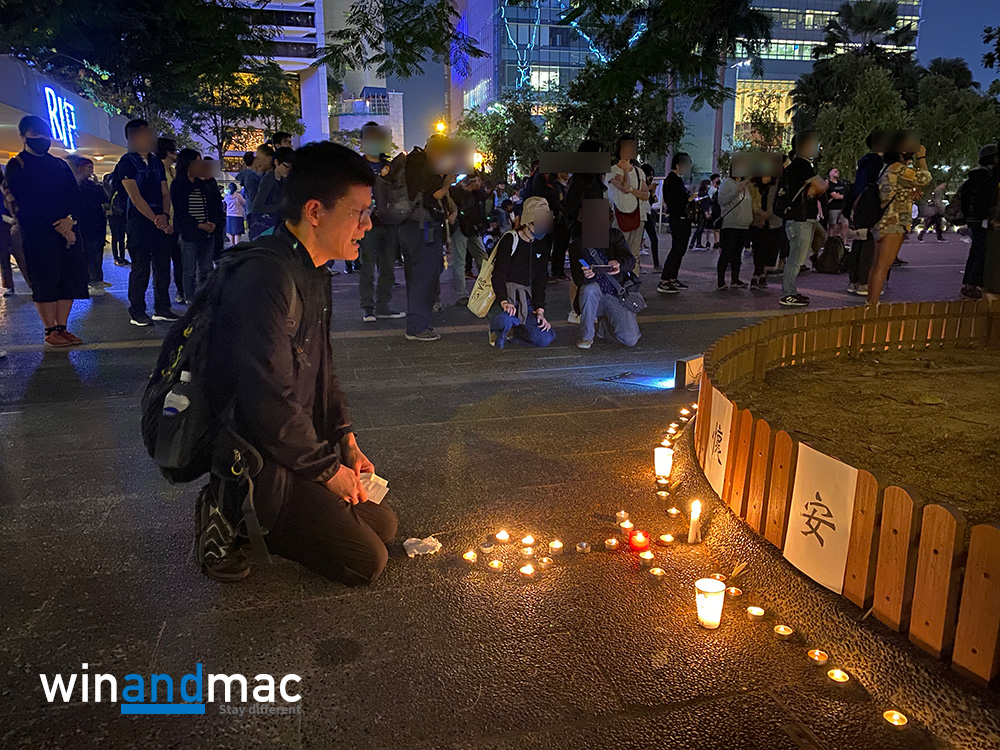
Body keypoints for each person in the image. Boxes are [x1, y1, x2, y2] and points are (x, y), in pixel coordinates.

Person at [202, 140, 396, 584]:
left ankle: (284, 509)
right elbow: (265, 398)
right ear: (314, 211)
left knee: (384, 526)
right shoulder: (264, 276)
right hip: (258, 453)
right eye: (358, 212)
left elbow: (322, 367)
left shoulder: (312, 269)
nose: (367, 224)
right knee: (365, 562)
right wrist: (326, 471)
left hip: (297, 441)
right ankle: (228, 510)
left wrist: (345, 437)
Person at [2, 115, 88, 347]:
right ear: (23, 136)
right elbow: (25, 202)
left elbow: (76, 197)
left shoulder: (60, 165)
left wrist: (70, 221)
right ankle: (50, 330)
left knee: (69, 280)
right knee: (45, 280)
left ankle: (62, 327)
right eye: (34, 134)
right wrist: (58, 226)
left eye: (44, 134)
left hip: (68, 231)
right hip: (37, 233)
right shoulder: (17, 165)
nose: (40, 138)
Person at [114, 118, 178, 326]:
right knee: (141, 267)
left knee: (162, 266)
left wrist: (164, 216)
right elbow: (135, 197)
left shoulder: (156, 161)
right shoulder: (126, 162)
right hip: (139, 220)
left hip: (160, 218)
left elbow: (165, 191)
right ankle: (137, 311)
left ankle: (162, 308)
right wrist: (156, 219)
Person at [398, 134, 453, 342]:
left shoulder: (414, 160)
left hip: (410, 226)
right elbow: (436, 194)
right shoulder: (423, 163)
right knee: (424, 276)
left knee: (416, 276)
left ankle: (418, 324)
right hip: (422, 227)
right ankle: (417, 327)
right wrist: (448, 180)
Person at [867, 130, 932, 306]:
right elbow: (924, 178)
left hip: (882, 221)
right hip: (893, 223)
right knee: (882, 266)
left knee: (876, 265)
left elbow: (889, 194)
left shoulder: (888, 167)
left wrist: (908, 196)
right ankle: (872, 306)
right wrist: (922, 157)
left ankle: (870, 303)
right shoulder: (899, 168)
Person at [488, 196, 555, 349]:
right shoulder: (510, 239)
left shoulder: (542, 244)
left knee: (544, 339)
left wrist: (540, 310)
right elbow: (498, 275)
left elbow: (540, 281)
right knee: (504, 319)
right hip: (507, 295)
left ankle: (517, 329)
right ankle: (501, 327)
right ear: (528, 222)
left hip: (526, 300)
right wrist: (504, 301)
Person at [357, 121, 404, 321]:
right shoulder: (358, 166)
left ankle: (383, 306)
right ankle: (368, 307)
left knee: (388, 267)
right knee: (367, 266)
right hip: (367, 222)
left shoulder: (389, 166)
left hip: (389, 221)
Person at [569, 219, 640, 349]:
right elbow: (577, 279)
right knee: (590, 289)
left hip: (615, 293)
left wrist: (619, 264)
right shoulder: (577, 245)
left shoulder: (615, 236)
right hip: (593, 295)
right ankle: (587, 337)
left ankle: (605, 327)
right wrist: (586, 276)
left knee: (630, 339)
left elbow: (630, 261)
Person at [779, 131, 827, 307]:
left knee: (797, 257)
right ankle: (787, 293)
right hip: (800, 218)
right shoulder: (802, 164)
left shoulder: (796, 166)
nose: (816, 147)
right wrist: (823, 185)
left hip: (800, 217)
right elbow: (821, 186)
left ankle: (790, 291)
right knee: (796, 258)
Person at [170, 149, 217, 303]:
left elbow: (212, 205)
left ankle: (204, 297)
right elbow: (181, 212)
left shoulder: (202, 184)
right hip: (189, 233)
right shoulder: (178, 185)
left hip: (207, 232)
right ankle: (190, 298)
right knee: (189, 270)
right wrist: (199, 225)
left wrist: (212, 223)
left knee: (206, 268)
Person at [846, 130, 887, 296]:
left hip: (858, 205)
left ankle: (854, 281)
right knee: (869, 245)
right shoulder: (879, 163)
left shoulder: (864, 162)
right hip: (871, 206)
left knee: (858, 242)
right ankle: (864, 282)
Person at [960, 144, 999, 300]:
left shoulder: (974, 177)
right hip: (983, 219)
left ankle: (970, 284)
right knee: (981, 251)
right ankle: (973, 284)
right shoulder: (987, 178)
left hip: (974, 219)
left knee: (977, 250)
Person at [67, 156, 110, 297]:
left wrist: (98, 185)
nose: (91, 170)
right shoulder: (77, 184)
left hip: (97, 223)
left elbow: (104, 198)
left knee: (97, 252)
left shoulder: (93, 185)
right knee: (87, 253)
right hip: (85, 224)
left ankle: (97, 278)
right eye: (88, 167)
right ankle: (86, 280)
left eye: (92, 167)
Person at [606, 134, 649, 262]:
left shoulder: (639, 172)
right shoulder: (612, 171)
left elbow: (645, 195)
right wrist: (625, 171)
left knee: (634, 254)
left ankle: (634, 274)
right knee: (620, 254)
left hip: (638, 216)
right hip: (619, 216)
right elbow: (624, 188)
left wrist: (630, 188)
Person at [449, 173, 490, 305]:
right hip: (460, 227)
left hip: (473, 228)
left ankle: (487, 288)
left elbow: (484, 197)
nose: (480, 183)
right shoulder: (457, 192)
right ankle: (461, 294)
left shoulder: (477, 193)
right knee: (459, 261)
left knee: (483, 258)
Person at [657, 152, 694, 294]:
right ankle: (665, 280)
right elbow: (675, 200)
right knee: (677, 249)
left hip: (681, 218)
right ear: (678, 165)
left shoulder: (676, 180)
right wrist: (689, 199)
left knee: (680, 249)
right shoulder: (672, 180)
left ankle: (672, 278)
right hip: (678, 218)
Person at [157, 137, 184, 305]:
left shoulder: (173, 171)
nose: (176, 154)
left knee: (180, 261)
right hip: (164, 224)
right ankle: (162, 303)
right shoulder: (158, 170)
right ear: (168, 152)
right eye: (174, 150)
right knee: (162, 266)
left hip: (176, 223)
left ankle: (181, 292)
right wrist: (166, 221)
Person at [717, 169, 752, 290]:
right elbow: (721, 200)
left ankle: (735, 279)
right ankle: (721, 281)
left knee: (737, 253)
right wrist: (736, 191)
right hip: (730, 224)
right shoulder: (727, 183)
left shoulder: (745, 185)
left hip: (743, 225)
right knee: (727, 252)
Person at [249, 146, 293, 239]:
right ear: (276, 162)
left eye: (290, 167)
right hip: (268, 228)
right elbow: (257, 207)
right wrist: (281, 207)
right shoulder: (268, 180)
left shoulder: (283, 179)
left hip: (276, 227)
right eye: (286, 166)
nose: (288, 170)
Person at [748, 173, 782, 290]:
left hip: (774, 221)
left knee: (771, 249)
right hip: (756, 221)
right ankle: (757, 274)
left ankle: (763, 273)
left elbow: (778, 202)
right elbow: (751, 202)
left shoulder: (777, 184)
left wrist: (768, 215)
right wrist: (760, 214)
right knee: (758, 248)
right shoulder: (752, 184)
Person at [245, 144, 275, 235]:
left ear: (269, 158)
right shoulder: (266, 177)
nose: (256, 161)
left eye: (258, 158)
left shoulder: (269, 177)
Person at [104, 171, 129, 266]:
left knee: (121, 238)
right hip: (114, 217)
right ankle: (116, 257)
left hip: (120, 217)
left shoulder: (120, 192)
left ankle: (122, 257)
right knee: (116, 238)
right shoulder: (112, 192)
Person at [826, 167, 846, 240]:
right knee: (832, 225)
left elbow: (845, 194)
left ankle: (843, 241)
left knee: (844, 224)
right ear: (830, 173)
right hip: (833, 208)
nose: (837, 172)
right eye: (835, 171)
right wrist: (838, 196)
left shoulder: (841, 183)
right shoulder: (829, 184)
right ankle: (830, 240)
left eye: (837, 171)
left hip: (842, 207)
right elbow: (835, 196)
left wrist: (840, 196)